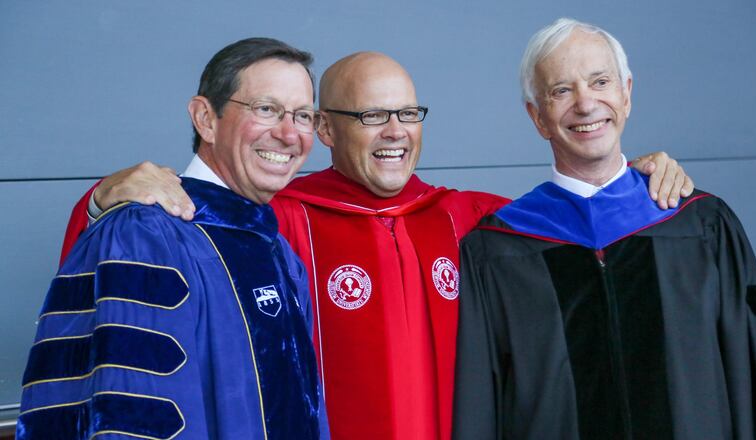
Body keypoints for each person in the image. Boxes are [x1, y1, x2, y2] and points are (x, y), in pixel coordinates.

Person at [58, 52, 693, 439]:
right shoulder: (273, 219)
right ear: (326, 129)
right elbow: (140, 260)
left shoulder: (464, 217)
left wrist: (636, 177)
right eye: (370, 117)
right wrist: (99, 198)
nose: (395, 133)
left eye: (408, 114)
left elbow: (586, 218)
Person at [452, 18, 756, 439]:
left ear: (626, 94)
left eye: (600, 82)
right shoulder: (497, 251)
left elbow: (753, 372)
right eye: (561, 90)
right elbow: (481, 404)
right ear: (537, 117)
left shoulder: (701, 225)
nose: (586, 103)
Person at [18, 38, 327, 439]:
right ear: (205, 118)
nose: (289, 134)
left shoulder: (278, 251)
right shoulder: (145, 234)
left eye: (302, 115)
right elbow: (133, 412)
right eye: (266, 109)